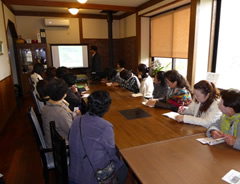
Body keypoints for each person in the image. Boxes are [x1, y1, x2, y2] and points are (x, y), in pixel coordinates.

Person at [68, 91, 128, 184]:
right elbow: (112, 153)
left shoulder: (77, 119)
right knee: (125, 165)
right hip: (92, 177)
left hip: (74, 172)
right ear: (107, 108)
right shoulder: (105, 126)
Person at [41, 78, 75, 148]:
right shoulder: (60, 113)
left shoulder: (46, 107)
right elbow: (74, 134)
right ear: (64, 94)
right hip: (62, 150)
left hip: (54, 145)